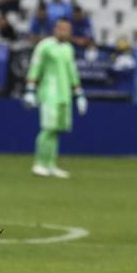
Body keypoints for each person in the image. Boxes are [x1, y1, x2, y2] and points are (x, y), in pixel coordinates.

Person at [23, 18, 87, 178]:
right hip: (49, 93)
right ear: (55, 29)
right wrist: (30, 90)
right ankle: (39, 163)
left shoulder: (68, 48)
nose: (65, 32)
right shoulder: (45, 46)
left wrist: (79, 94)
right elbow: (35, 67)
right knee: (47, 129)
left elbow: (72, 72)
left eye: (68, 29)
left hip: (64, 95)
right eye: (62, 28)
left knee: (57, 130)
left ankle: (51, 164)